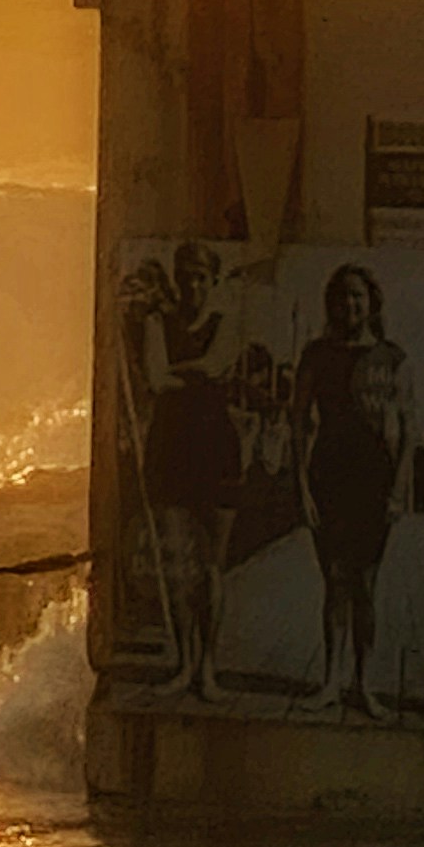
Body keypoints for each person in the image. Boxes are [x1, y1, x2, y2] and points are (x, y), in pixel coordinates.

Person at [293, 261, 410, 720]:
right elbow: (300, 422)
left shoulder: (392, 358)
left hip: (373, 477)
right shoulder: (317, 356)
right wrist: (301, 486)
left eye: (358, 296)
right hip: (329, 474)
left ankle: (364, 683)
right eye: (342, 296)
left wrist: (398, 490)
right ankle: (331, 680)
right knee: (334, 582)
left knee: (366, 585)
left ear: (372, 301)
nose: (350, 304)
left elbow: (407, 431)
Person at [132, 241, 243, 703]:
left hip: (217, 449)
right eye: (187, 277)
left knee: (213, 566)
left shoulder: (225, 323)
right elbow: (156, 379)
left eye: (202, 278)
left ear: (212, 282)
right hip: (173, 448)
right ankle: (184, 664)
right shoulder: (158, 323)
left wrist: (182, 372)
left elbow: (217, 365)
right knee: (179, 567)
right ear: (178, 281)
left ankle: (209, 669)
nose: (194, 286)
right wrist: (195, 373)